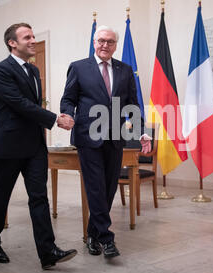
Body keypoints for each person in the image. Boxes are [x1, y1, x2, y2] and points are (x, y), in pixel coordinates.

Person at [0, 23, 77, 270]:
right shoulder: (0, 70)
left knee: (39, 198)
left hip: (35, 145)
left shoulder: (34, 71)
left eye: (34, 36)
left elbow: (30, 105)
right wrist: (55, 119)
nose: (33, 40)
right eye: (27, 37)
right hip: (8, 144)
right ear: (12, 43)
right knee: (1, 197)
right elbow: (18, 103)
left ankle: (48, 252)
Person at [60, 26, 151, 258]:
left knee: (109, 188)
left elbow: (132, 103)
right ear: (94, 42)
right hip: (87, 136)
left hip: (115, 137)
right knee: (95, 187)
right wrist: (67, 114)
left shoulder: (125, 69)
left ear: (115, 45)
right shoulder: (79, 67)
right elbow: (69, 98)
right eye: (101, 40)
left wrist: (141, 131)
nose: (105, 45)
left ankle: (92, 234)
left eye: (110, 42)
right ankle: (107, 239)